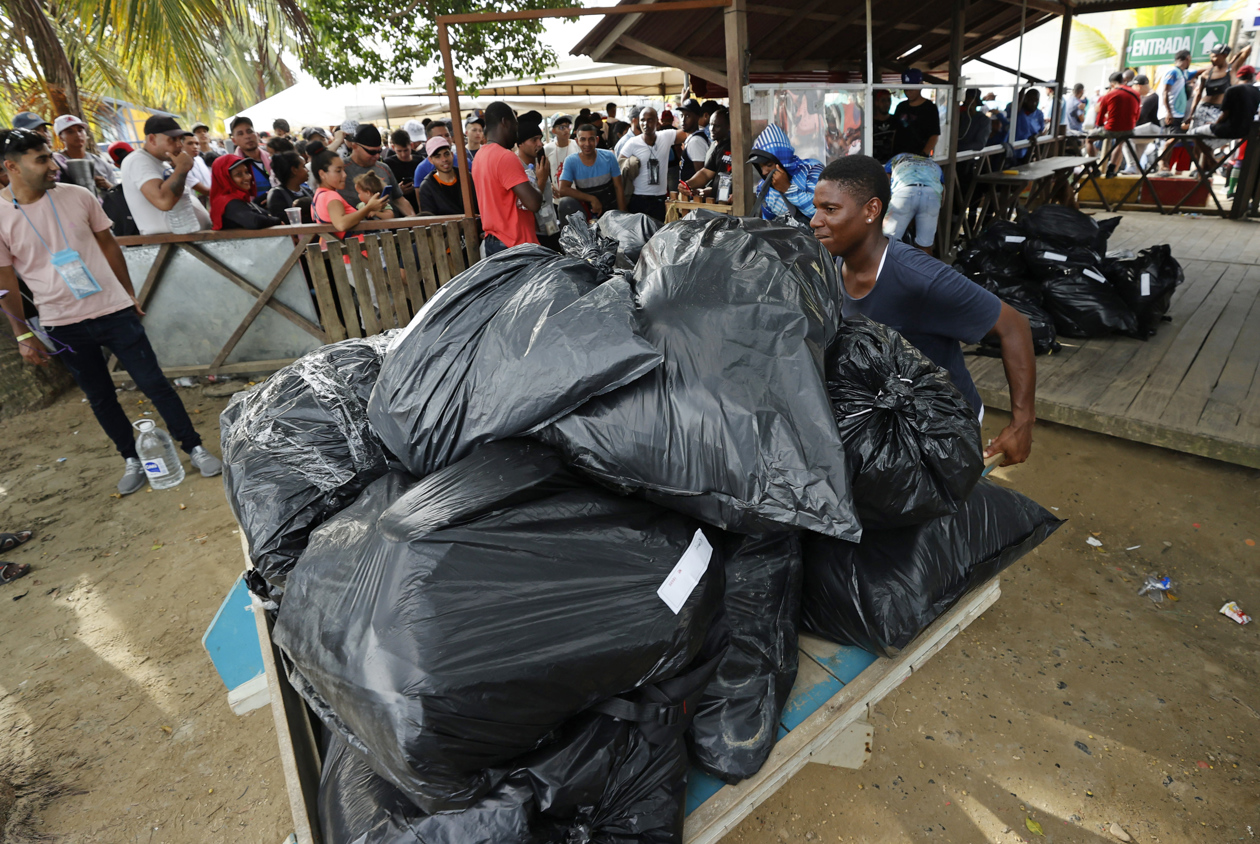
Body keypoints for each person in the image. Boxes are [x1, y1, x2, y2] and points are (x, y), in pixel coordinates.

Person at [0, 127, 222, 494]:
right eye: (41, 159)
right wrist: (23, 334)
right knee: (100, 395)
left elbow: (109, 246)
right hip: (61, 323)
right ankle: (131, 459)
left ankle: (193, 446)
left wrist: (129, 294)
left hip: (113, 310)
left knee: (155, 383)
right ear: (12, 167)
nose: (54, 165)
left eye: (51, 156)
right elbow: (5, 280)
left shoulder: (78, 195)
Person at [809, 155, 1035, 466]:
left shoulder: (919, 277)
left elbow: (1014, 326)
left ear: (871, 210)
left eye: (830, 209)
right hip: (892, 415)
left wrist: (1022, 424)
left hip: (945, 425)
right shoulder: (833, 266)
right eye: (817, 208)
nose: (815, 220)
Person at [120, 115, 211, 234]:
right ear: (152, 139)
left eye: (180, 139)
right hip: (169, 244)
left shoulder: (164, 164)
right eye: (173, 139)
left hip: (184, 240)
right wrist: (182, 168)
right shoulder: (138, 160)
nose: (179, 145)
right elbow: (164, 201)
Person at [470, 101, 541, 255]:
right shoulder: (505, 157)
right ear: (505, 122)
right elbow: (534, 203)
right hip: (515, 245)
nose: (517, 131)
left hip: (493, 242)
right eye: (515, 124)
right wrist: (539, 179)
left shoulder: (479, 156)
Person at [618, 106, 686, 222]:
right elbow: (619, 167)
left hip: (659, 200)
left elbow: (686, 133)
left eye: (650, 120)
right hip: (638, 199)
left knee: (657, 234)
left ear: (657, 121)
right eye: (642, 120)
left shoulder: (665, 136)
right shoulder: (632, 143)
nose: (645, 123)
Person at [749, 123, 822, 223]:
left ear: (782, 160)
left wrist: (787, 189)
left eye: (769, 165)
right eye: (760, 167)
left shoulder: (812, 170)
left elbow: (821, 213)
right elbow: (768, 225)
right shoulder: (764, 188)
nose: (764, 172)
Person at [340, 124, 414, 217]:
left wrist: (413, 220)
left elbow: (399, 199)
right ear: (354, 146)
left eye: (379, 151)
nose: (377, 156)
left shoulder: (384, 168)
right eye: (371, 152)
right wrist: (337, 142)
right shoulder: (340, 169)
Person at [557, 123, 625, 222]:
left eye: (591, 139)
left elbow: (618, 187)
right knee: (565, 203)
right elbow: (563, 189)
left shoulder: (609, 157)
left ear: (597, 140)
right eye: (583, 139)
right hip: (587, 212)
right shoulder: (571, 161)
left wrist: (623, 215)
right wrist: (592, 199)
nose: (587, 144)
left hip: (611, 209)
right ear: (577, 141)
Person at [882, 152, 944, 254]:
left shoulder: (897, 158)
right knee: (925, 246)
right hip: (931, 195)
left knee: (886, 243)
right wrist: (935, 212)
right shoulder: (933, 163)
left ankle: (885, 269)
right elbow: (942, 192)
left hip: (904, 192)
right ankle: (924, 269)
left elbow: (886, 182)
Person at [515, 112, 559, 248]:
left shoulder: (540, 161)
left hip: (551, 228)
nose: (540, 144)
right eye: (534, 140)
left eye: (540, 138)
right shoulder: (515, 167)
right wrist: (541, 180)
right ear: (520, 143)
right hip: (532, 237)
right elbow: (527, 203)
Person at [209, 155, 283, 230]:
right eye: (239, 174)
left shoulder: (240, 198)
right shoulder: (226, 202)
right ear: (224, 178)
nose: (247, 177)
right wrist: (277, 221)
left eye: (247, 172)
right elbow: (254, 222)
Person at [1092, 71, 1142, 177]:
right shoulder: (1136, 93)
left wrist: (1101, 125)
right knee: (1120, 143)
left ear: (1111, 84)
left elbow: (1100, 118)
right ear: (1123, 81)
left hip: (1111, 128)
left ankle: (1094, 167)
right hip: (1129, 128)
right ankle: (1111, 169)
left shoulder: (1109, 95)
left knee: (1088, 139)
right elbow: (1137, 115)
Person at [1191, 65, 1260, 140]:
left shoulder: (1232, 90)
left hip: (1228, 130)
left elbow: (1225, 114)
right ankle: (1207, 151)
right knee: (1208, 144)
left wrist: (1215, 125)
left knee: (1193, 132)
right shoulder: (1256, 91)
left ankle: (1206, 151)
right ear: (1251, 76)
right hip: (1245, 131)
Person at [51, 115, 115, 193]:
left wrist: (108, 185)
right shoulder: (55, 163)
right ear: (61, 137)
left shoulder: (101, 163)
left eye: (80, 130)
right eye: (70, 132)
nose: (78, 135)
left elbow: (118, 192)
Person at [417, 136, 476, 217]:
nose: (444, 159)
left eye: (446, 154)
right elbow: (430, 219)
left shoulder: (467, 177)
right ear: (430, 160)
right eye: (438, 156)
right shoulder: (427, 187)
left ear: (452, 155)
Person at [682, 106, 731, 194]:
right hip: (718, 200)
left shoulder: (736, 147)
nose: (712, 129)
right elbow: (706, 173)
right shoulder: (715, 146)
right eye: (711, 124)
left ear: (728, 126)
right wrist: (687, 184)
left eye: (717, 126)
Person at [228, 116, 272, 201]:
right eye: (240, 134)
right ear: (234, 141)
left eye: (249, 131)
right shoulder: (233, 167)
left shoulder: (272, 158)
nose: (247, 136)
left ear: (257, 135)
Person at [265, 151, 312, 221]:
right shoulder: (277, 195)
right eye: (303, 166)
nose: (307, 170)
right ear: (294, 170)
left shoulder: (307, 191)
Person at [892, 89, 940, 157]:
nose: (908, 92)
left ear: (920, 87)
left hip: (918, 157)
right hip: (898, 156)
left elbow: (934, 135)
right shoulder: (901, 106)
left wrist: (923, 155)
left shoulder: (929, 108)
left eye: (912, 89)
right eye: (906, 89)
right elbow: (895, 131)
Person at [383, 128, 418, 211]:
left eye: (406, 150)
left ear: (411, 145)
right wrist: (397, 191)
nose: (403, 154)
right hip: (398, 209)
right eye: (399, 151)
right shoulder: (388, 164)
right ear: (393, 147)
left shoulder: (420, 161)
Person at [677, 98, 710, 183]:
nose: (683, 120)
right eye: (682, 115)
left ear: (697, 117)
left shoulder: (696, 141)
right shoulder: (693, 137)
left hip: (694, 194)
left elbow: (701, 175)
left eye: (687, 116)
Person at [544, 114, 574, 200]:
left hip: (576, 196)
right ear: (554, 131)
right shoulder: (547, 149)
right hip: (557, 198)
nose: (566, 130)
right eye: (562, 127)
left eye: (568, 126)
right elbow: (545, 173)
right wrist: (550, 186)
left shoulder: (577, 145)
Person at [181, 131, 212, 198]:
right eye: (190, 143)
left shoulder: (199, 159)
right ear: (181, 145)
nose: (195, 147)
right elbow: (204, 190)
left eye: (197, 144)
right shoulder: (181, 165)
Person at [870, 89, 897, 162]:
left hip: (893, 163)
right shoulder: (869, 123)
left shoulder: (895, 121)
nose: (886, 103)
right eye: (883, 100)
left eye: (889, 100)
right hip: (874, 163)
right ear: (876, 102)